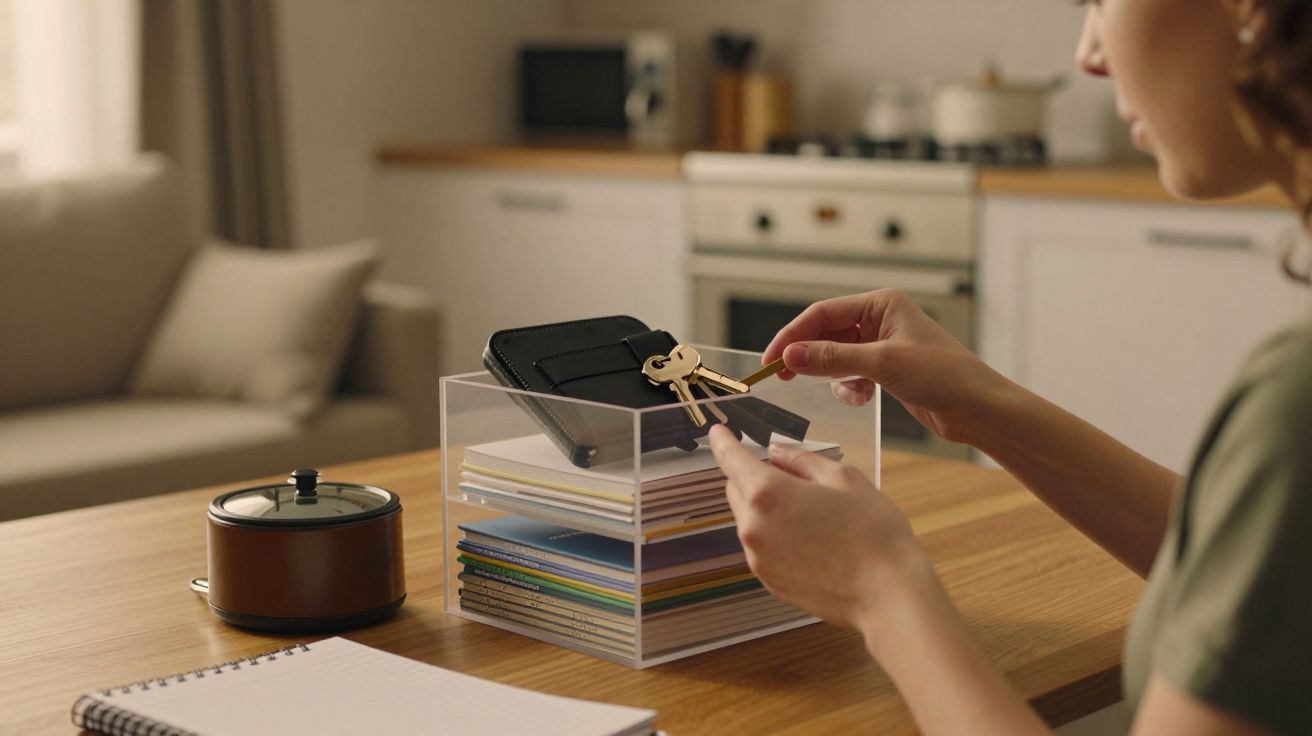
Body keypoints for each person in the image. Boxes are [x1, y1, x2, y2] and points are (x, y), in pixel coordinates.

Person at [707, 0, 1312, 733]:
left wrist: (879, 589)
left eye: (1099, 2)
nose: (1089, 54)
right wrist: (979, 405)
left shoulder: (1293, 400)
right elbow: (1255, 561)